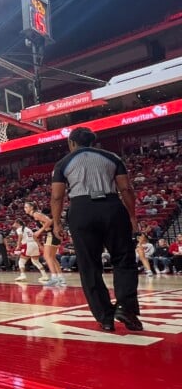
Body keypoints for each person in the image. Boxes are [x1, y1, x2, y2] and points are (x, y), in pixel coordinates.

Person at [51, 126, 141, 332]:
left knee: (89, 266)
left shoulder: (63, 162)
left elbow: (57, 196)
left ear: (71, 143)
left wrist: (56, 223)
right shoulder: (112, 157)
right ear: (92, 142)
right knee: (124, 259)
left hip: (82, 210)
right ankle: (126, 307)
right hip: (112, 207)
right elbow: (125, 188)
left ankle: (105, 317)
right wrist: (133, 217)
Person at [24, 201, 66, 286]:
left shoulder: (36, 214)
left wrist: (39, 231)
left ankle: (54, 277)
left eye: (26, 207)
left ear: (31, 208)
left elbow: (49, 221)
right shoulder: (36, 215)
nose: (25, 209)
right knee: (52, 258)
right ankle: (61, 278)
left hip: (52, 234)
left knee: (47, 256)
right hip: (54, 234)